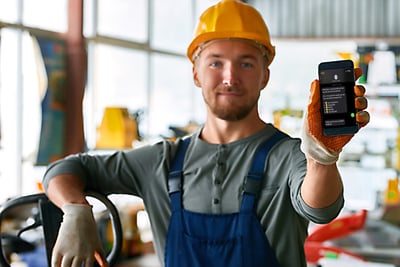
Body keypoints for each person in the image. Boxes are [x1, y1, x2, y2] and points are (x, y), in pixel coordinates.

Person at [42, 0, 370, 267]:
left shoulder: (288, 156)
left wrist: (321, 157)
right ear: (196, 74)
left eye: (246, 63)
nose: (230, 77)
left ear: (265, 76)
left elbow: (321, 208)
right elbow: (66, 169)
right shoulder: (159, 161)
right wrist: (75, 210)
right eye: (215, 63)